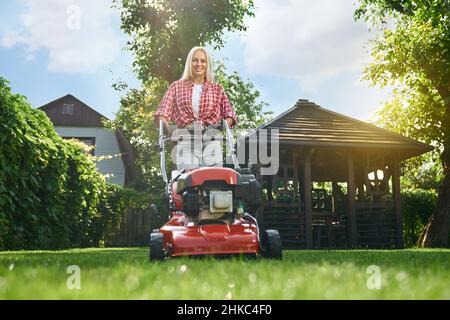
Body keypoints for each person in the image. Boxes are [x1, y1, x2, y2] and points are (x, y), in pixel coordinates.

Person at [155, 46, 237, 170]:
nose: (199, 64)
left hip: (211, 137)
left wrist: (220, 125)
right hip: (186, 138)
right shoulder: (177, 87)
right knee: (190, 178)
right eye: (195, 60)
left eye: (203, 61)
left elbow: (230, 114)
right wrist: (167, 126)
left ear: (207, 64)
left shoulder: (217, 88)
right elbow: (163, 111)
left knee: (213, 178)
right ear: (189, 63)